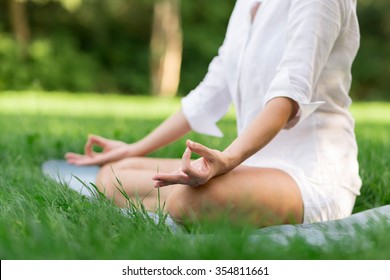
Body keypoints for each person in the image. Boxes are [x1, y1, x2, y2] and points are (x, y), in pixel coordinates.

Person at [66, 0, 362, 227]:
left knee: (186, 200)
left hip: (310, 175)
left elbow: (287, 97)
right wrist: (134, 148)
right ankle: (197, 199)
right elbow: (212, 90)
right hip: (253, 163)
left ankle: (189, 201)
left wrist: (228, 160)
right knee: (112, 174)